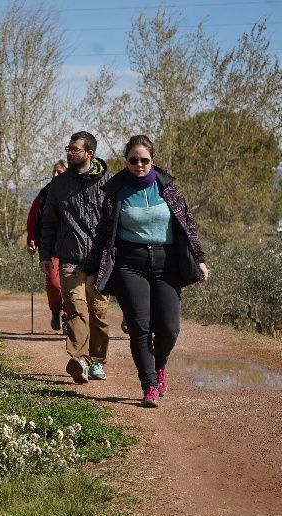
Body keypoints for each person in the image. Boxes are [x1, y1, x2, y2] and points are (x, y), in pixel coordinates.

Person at [89, 135, 209, 408]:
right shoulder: (114, 191)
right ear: (126, 162)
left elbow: (186, 224)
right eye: (133, 160)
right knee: (139, 327)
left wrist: (199, 258)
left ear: (153, 160)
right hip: (130, 264)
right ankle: (149, 385)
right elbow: (103, 234)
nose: (139, 164)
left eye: (144, 160)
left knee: (169, 327)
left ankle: (159, 366)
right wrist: (93, 270)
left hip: (166, 263)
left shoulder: (168, 188)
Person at [38, 131, 111, 384]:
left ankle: (98, 360)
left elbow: (116, 222)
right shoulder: (58, 185)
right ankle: (79, 359)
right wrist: (45, 254)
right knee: (76, 308)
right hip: (69, 258)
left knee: (98, 312)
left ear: (89, 153)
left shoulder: (108, 183)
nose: (69, 152)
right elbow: (48, 223)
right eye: (68, 148)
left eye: (75, 149)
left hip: (99, 261)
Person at [27, 159, 68, 331]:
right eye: (54, 172)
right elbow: (33, 219)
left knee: (71, 285)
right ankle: (55, 310)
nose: (55, 175)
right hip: (50, 247)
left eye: (59, 172)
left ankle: (68, 318)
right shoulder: (43, 196)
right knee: (54, 283)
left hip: (72, 246)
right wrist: (32, 240)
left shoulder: (74, 193)